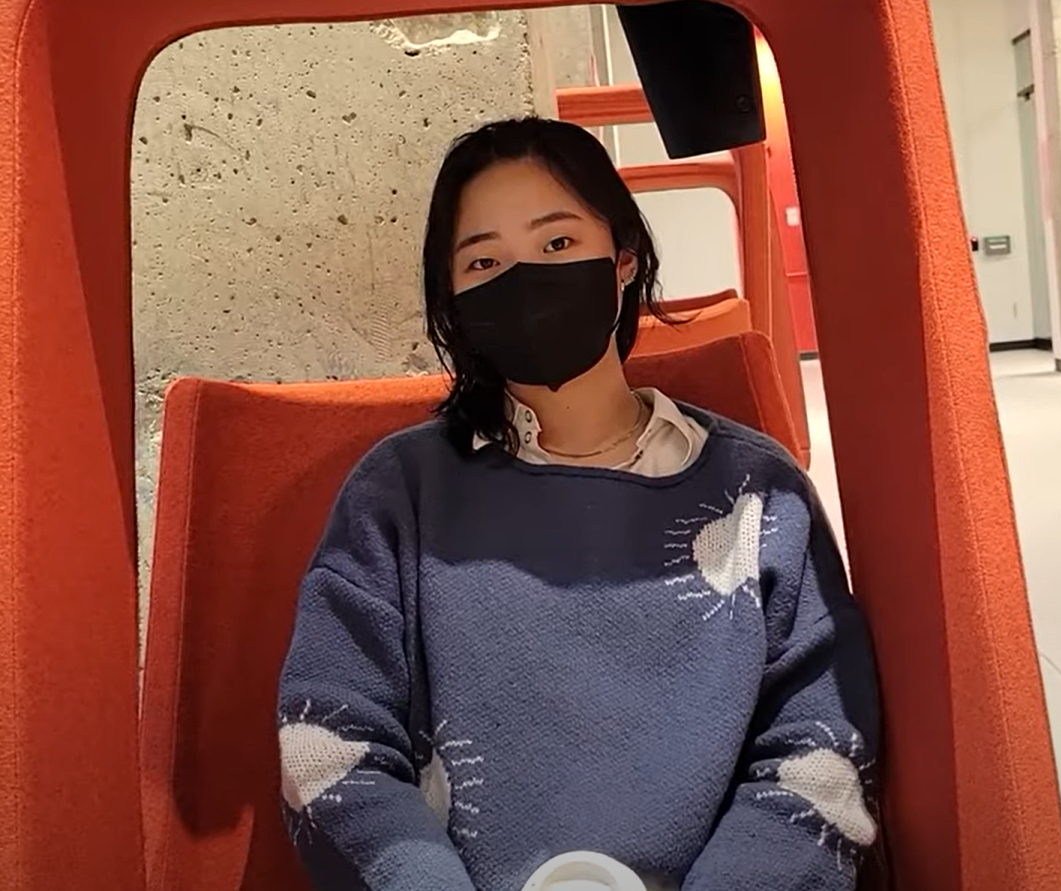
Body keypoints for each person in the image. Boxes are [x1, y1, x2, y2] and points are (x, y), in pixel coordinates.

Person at [277, 117, 880, 891]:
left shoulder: (759, 492)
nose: (524, 278)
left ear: (623, 259)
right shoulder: (399, 492)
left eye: (557, 244)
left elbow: (821, 746)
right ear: (453, 300)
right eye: (485, 260)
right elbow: (328, 742)